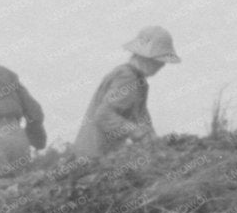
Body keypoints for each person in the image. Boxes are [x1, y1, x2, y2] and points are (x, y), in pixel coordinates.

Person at [73, 25, 180, 159]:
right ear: (147, 57)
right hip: (94, 157)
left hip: (103, 156)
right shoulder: (127, 77)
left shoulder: (139, 82)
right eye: (160, 60)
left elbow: (142, 120)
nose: (162, 65)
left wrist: (153, 141)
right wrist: (137, 132)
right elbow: (103, 115)